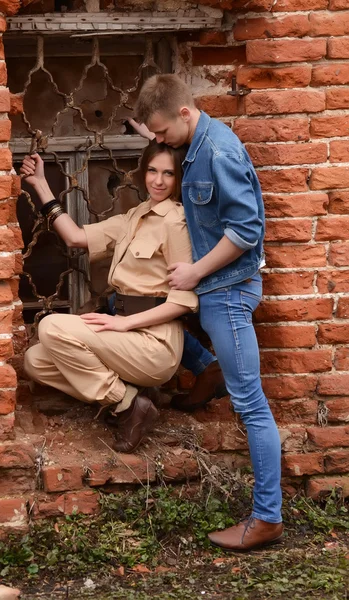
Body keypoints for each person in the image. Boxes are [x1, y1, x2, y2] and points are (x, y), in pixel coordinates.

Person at [134, 74, 283, 552]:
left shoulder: (217, 152)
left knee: (252, 406)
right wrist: (152, 137)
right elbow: (168, 139)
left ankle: (267, 519)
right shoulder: (195, 143)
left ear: (184, 114)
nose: (158, 143)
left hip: (228, 292)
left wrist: (195, 272)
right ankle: (205, 366)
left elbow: (246, 231)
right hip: (216, 293)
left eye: (160, 133)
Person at [21, 141, 199, 453]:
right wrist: (41, 184)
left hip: (155, 344)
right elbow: (76, 237)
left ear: (179, 177)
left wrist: (124, 325)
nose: (158, 180)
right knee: (35, 361)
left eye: (168, 173)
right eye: (153, 171)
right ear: (144, 172)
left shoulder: (176, 222)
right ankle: (131, 396)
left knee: (51, 327)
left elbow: (183, 302)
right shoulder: (133, 217)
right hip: (125, 340)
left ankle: (127, 406)